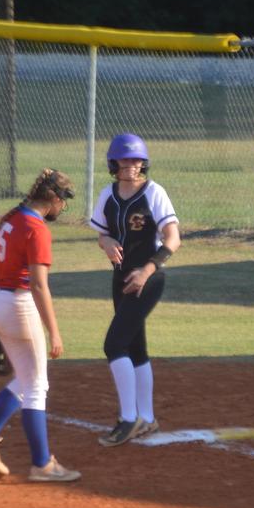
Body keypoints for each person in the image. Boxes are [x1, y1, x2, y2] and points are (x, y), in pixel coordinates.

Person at [0, 169, 81, 481]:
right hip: (17, 305)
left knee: (28, 378)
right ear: (54, 198)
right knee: (37, 385)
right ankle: (42, 465)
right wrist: (54, 331)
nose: (63, 207)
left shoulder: (15, 217)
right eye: (64, 201)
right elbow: (40, 287)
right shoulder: (36, 229)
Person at [89, 134, 181, 446]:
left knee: (114, 345)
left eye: (136, 160)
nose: (131, 165)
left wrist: (147, 270)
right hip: (120, 279)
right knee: (135, 348)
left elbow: (173, 238)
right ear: (113, 164)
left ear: (144, 162)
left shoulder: (154, 193)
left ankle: (129, 419)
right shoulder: (108, 195)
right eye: (124, 160)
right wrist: (106, 241)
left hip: (148, 279)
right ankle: (148, 419)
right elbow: (101, 233)